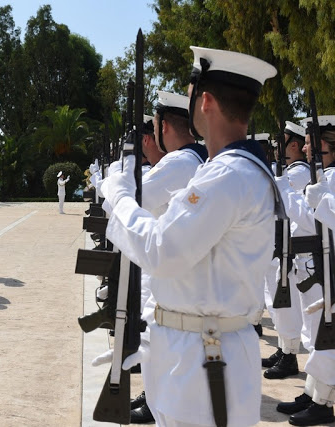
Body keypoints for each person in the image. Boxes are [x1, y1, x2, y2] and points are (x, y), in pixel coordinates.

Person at [100, 47, 278, 426]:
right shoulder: (223, 170)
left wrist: (118, 196)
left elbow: (161, 248)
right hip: (192, 354)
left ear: (206, 101)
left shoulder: (230, 175)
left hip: (207, 361)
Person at [97, 90, 208, 423]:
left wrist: (121, 174)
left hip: (162, 268)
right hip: (184, 271)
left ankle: (153, 399)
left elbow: (127, 202)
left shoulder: (180, 162)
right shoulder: (201, 158)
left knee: (158, 350)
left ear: (163, 127)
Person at [274, 115, 335, 426]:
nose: (307, 147)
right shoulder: (325, 175)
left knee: (323, 336)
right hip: (313, 263)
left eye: (313, 142)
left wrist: (298, 196)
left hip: (323, 265)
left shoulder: (332, 177)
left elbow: (316, 223)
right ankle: (314, 394)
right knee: (315, 334)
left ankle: (323, 401)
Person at [262, 122, 312, 380]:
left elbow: (275, 198)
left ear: (292, 144)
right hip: (278, 245)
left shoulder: (300, 172)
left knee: (287, 305)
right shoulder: (289, 171)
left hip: (291, 249)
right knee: (277, 303)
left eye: (282, 140)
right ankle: (284, 349)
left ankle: (290, 355)